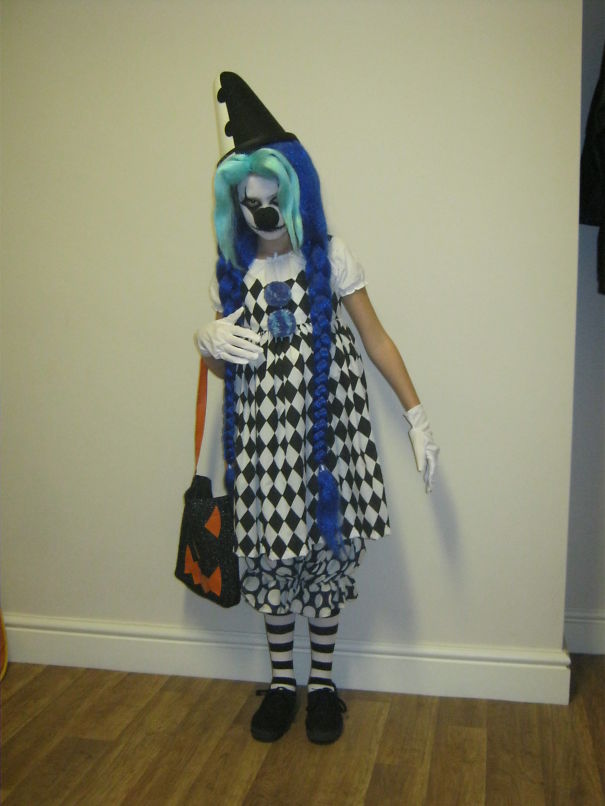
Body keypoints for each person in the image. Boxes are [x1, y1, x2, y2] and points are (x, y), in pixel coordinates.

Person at [196, 73, 439, 745]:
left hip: (329, 441)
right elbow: (224, 361)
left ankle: (324, 684)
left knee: (325, 565)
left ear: (295, 191)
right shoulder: (235, 272)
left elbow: (376, 337)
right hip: (263, 442)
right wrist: (207, 339)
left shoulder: (329, 257)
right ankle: (281, 682)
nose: (263, 215)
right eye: (250, 204)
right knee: (272, 564)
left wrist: (416, 418)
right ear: (235, 207)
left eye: (272, 200)